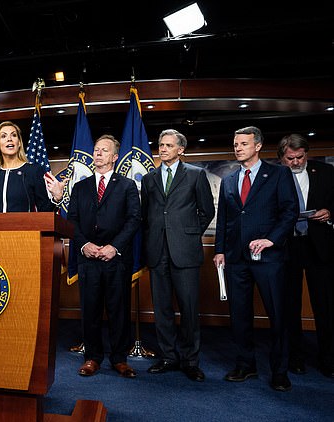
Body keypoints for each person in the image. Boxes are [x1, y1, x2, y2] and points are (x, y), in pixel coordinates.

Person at [213, 126, 298, 392]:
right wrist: (220, 251)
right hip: (237, 259)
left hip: (270, 257)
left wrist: (272, 239)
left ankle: (280, 371)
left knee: (277, 315)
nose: (237, 147)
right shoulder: (228, 180)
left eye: (243, 143)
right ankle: (245, 365)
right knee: (239, 315)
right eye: (235, 143)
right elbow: (225, 220)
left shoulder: (278, 173)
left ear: (258, 146)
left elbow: (289, 211)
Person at [141, 129, 215, 382]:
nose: (162, 149)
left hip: (185, 251)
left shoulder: (195, 175)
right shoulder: (148, 179)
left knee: (189, 309)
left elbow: (207, 210)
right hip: (156, 251)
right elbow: (145, 214)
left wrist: (190, 234)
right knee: (162, 310)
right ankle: (169, 357)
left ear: (181, 149)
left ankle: (190, 361)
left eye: (168, 145)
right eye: (160, 144)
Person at [67, 134, 141, 378]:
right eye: (96, 149)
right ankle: (92, 358)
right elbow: (72, 221)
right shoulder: (80, 187)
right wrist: (85, 244)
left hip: (116, 258)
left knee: (118, 310)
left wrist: (114, 247)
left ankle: (119, 359)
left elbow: (133, 220)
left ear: (114, 157)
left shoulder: (127, 185)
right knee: (90, 312)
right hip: (88, 259)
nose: (98, 153)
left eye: (104, 150)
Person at [277, 133, 334, 378]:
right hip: (288, 247)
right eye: (290, 158)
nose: (296, 162)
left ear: (306, 154)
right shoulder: (273, 177)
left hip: (318, 246)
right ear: (282, 158)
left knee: (326, 306)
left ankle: (328, 360)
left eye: (300, 157)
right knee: (290, 306)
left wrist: (330, 212)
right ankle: (295, 358)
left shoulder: (327, 172)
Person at [0, 121, 64, 212]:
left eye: (14, 135)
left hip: (25, 226)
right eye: (3, 136)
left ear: (19, 143)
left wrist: (57, 198)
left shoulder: (33, 171)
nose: (9, 139)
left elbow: (44, 210)